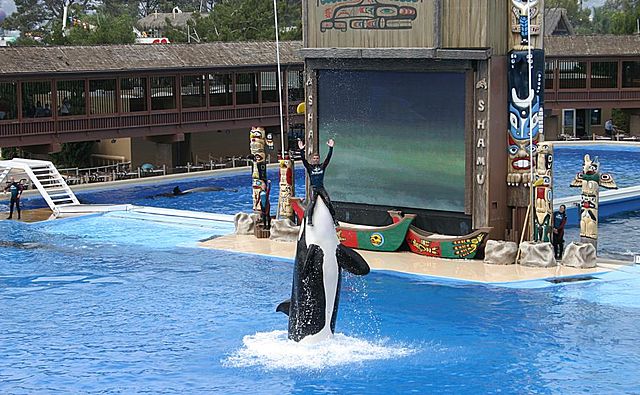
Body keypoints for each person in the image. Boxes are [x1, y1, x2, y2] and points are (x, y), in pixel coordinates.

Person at [298, 138, 337, 226]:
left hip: (320, 187)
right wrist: (301, 150)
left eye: (317, 158)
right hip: (313, 188)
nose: (316, 159)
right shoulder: (309, 167)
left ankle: (334, 220)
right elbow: (303, 160)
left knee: (327, 200)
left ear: (319, 159)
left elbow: (328, 158)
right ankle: (310, 221)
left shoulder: (322, 166)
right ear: (312, 159)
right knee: (312, 202)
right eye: (314, 158)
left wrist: (331, 148)